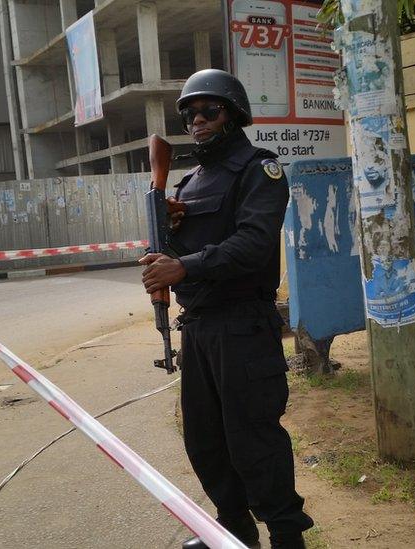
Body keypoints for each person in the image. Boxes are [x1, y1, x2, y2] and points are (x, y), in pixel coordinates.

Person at [139, 69, 314, 549]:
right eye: (189, 112)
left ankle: (286, 537)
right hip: (198, 330)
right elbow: (192, 248)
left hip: (243, 328)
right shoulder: (191, 179)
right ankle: (235, 534)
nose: (197, 119)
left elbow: (254, 245)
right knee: (207, 442)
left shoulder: (260, 169)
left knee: (253, 441)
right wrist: (170, 235)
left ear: (233, 114)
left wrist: (182, 267)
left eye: (208, 109)